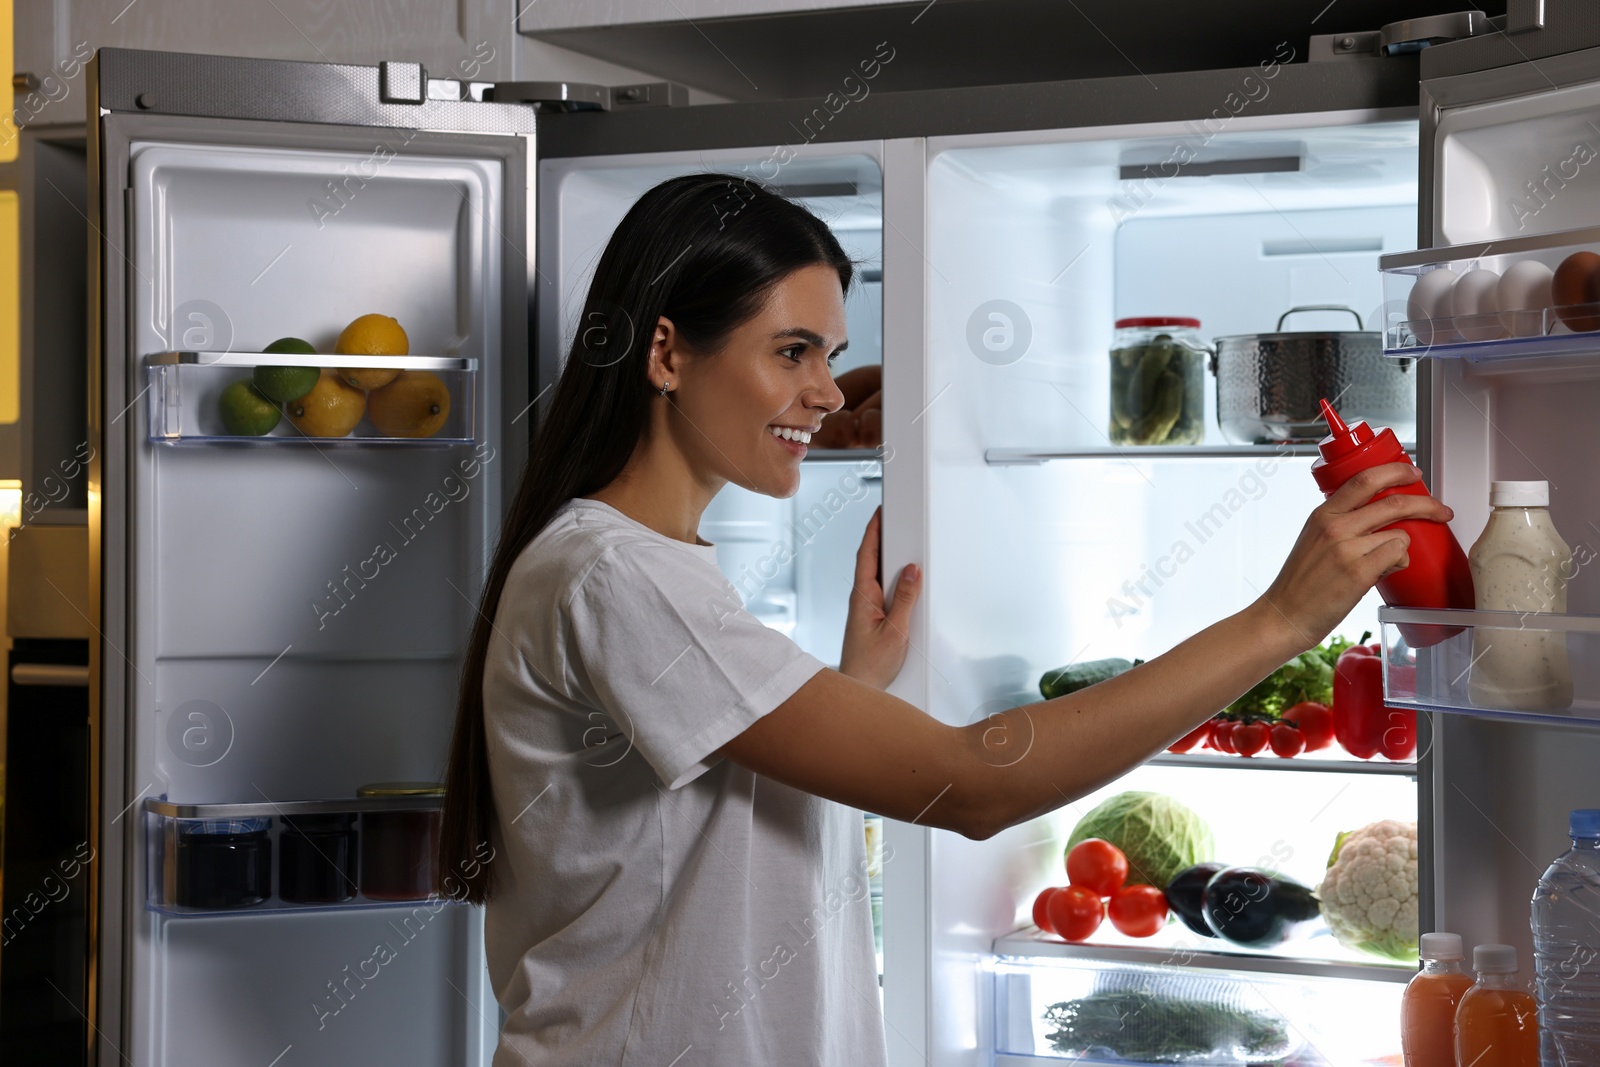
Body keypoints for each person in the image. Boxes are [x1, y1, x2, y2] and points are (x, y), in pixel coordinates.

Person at [439, 172, 1450, 1067]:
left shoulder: (640, 565)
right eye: (790, 351)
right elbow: (971, 785)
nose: (827, 392)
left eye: (829, 352)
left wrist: (849, 689)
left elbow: (693, 831)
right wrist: (1279, 618)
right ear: (666, 351)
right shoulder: (616, 573)